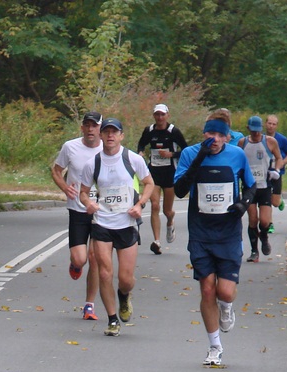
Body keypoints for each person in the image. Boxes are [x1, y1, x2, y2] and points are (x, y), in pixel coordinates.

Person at [173, 109, 256, 367]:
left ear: (228, 137)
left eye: (221, 134)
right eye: (211, 132)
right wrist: (200, 156)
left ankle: (227, 306)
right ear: (203, 133)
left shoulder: (237, 155)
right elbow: (179, 190)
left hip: (228, 232)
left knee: (225, 292)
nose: (215, 138)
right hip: (201, 232)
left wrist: (243, 204)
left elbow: (251, 186)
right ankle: (214, 346)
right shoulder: (189, 154)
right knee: (207, 288)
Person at [79, 118, 154, 337]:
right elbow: (83, 191)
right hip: (102, 222)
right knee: (104, 273)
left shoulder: (132, 159)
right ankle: (112, 319)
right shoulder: (92, 163)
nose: (110, 135)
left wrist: (140, 205)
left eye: (115, 132)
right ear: (101, 136)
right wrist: (88, 203)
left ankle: (124, 295)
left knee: (126, 278)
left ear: (121, 136)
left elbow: (149, 183)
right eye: (107, 132)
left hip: (127, 222)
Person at [52, 111, 104, 321]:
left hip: (101, 212)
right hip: (78, 209)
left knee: (95, 258)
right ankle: (75, 264)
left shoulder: (108, 149)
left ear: (101, 128)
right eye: (87, 125)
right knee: (81, 259)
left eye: (94, 125)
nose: (91, 129)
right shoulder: (70, 147)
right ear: (82, 128)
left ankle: (89, 305)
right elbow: (56, 170)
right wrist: (65, 188)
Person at [137, 104, 188, 255]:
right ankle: (157, 241)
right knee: (154, 205)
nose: (159, 118)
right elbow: (141, 143)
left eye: (162, 115)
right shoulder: (149, 130)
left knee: (167, 210)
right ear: (154, 116)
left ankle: (170, 221)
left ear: (167, 115)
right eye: (157, 115)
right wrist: (140, 152)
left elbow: (186, 149)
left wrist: (171, 155)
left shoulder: (173, 131)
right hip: (154, 173)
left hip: (170, 173)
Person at [237, 115, 283, 263]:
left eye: (258, 131)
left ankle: (264, 236)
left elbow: (279, 158)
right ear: (248, 129)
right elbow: (236, 160)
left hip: (264, 186)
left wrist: (276, 170)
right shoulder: (242, 143)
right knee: (252, 219)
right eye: (253, 131)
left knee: (264, 221)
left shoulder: (270, 142)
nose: (256, 134)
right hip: (249, 187)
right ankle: (254, 251)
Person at [264, 114, 287, 221]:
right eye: (269, 123)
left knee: (275, 202)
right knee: (265, 199)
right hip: (264, 173)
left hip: (277, 172)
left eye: (274, 124)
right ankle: (269, 223)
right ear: (265, 124)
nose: (271, 126)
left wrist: (282, 163)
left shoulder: (282, 139)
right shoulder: (261, 138)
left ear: (276, 126)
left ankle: (280, 201)